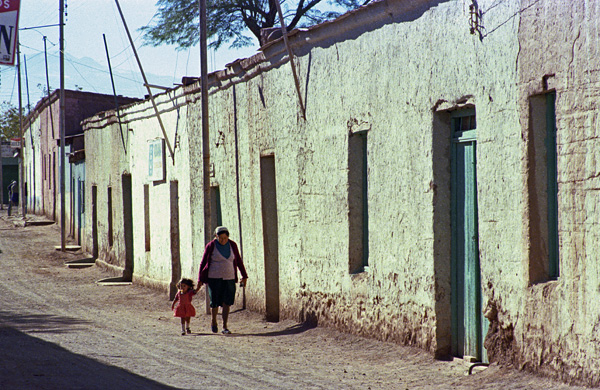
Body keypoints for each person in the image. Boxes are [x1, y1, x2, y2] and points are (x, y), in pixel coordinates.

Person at [198, 226, 248, 334]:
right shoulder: (211, 246)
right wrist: (200, 279)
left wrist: (244, 276)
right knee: (215, 302)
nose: (223, 240)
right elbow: (203, 263)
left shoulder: (232, 245)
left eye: (225, 238)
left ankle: (225, 326)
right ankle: (213, 321)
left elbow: (238, 260)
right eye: (220, 238)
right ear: (216, 236)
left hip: (229, 278)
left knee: (227, 302)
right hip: (214, 278)